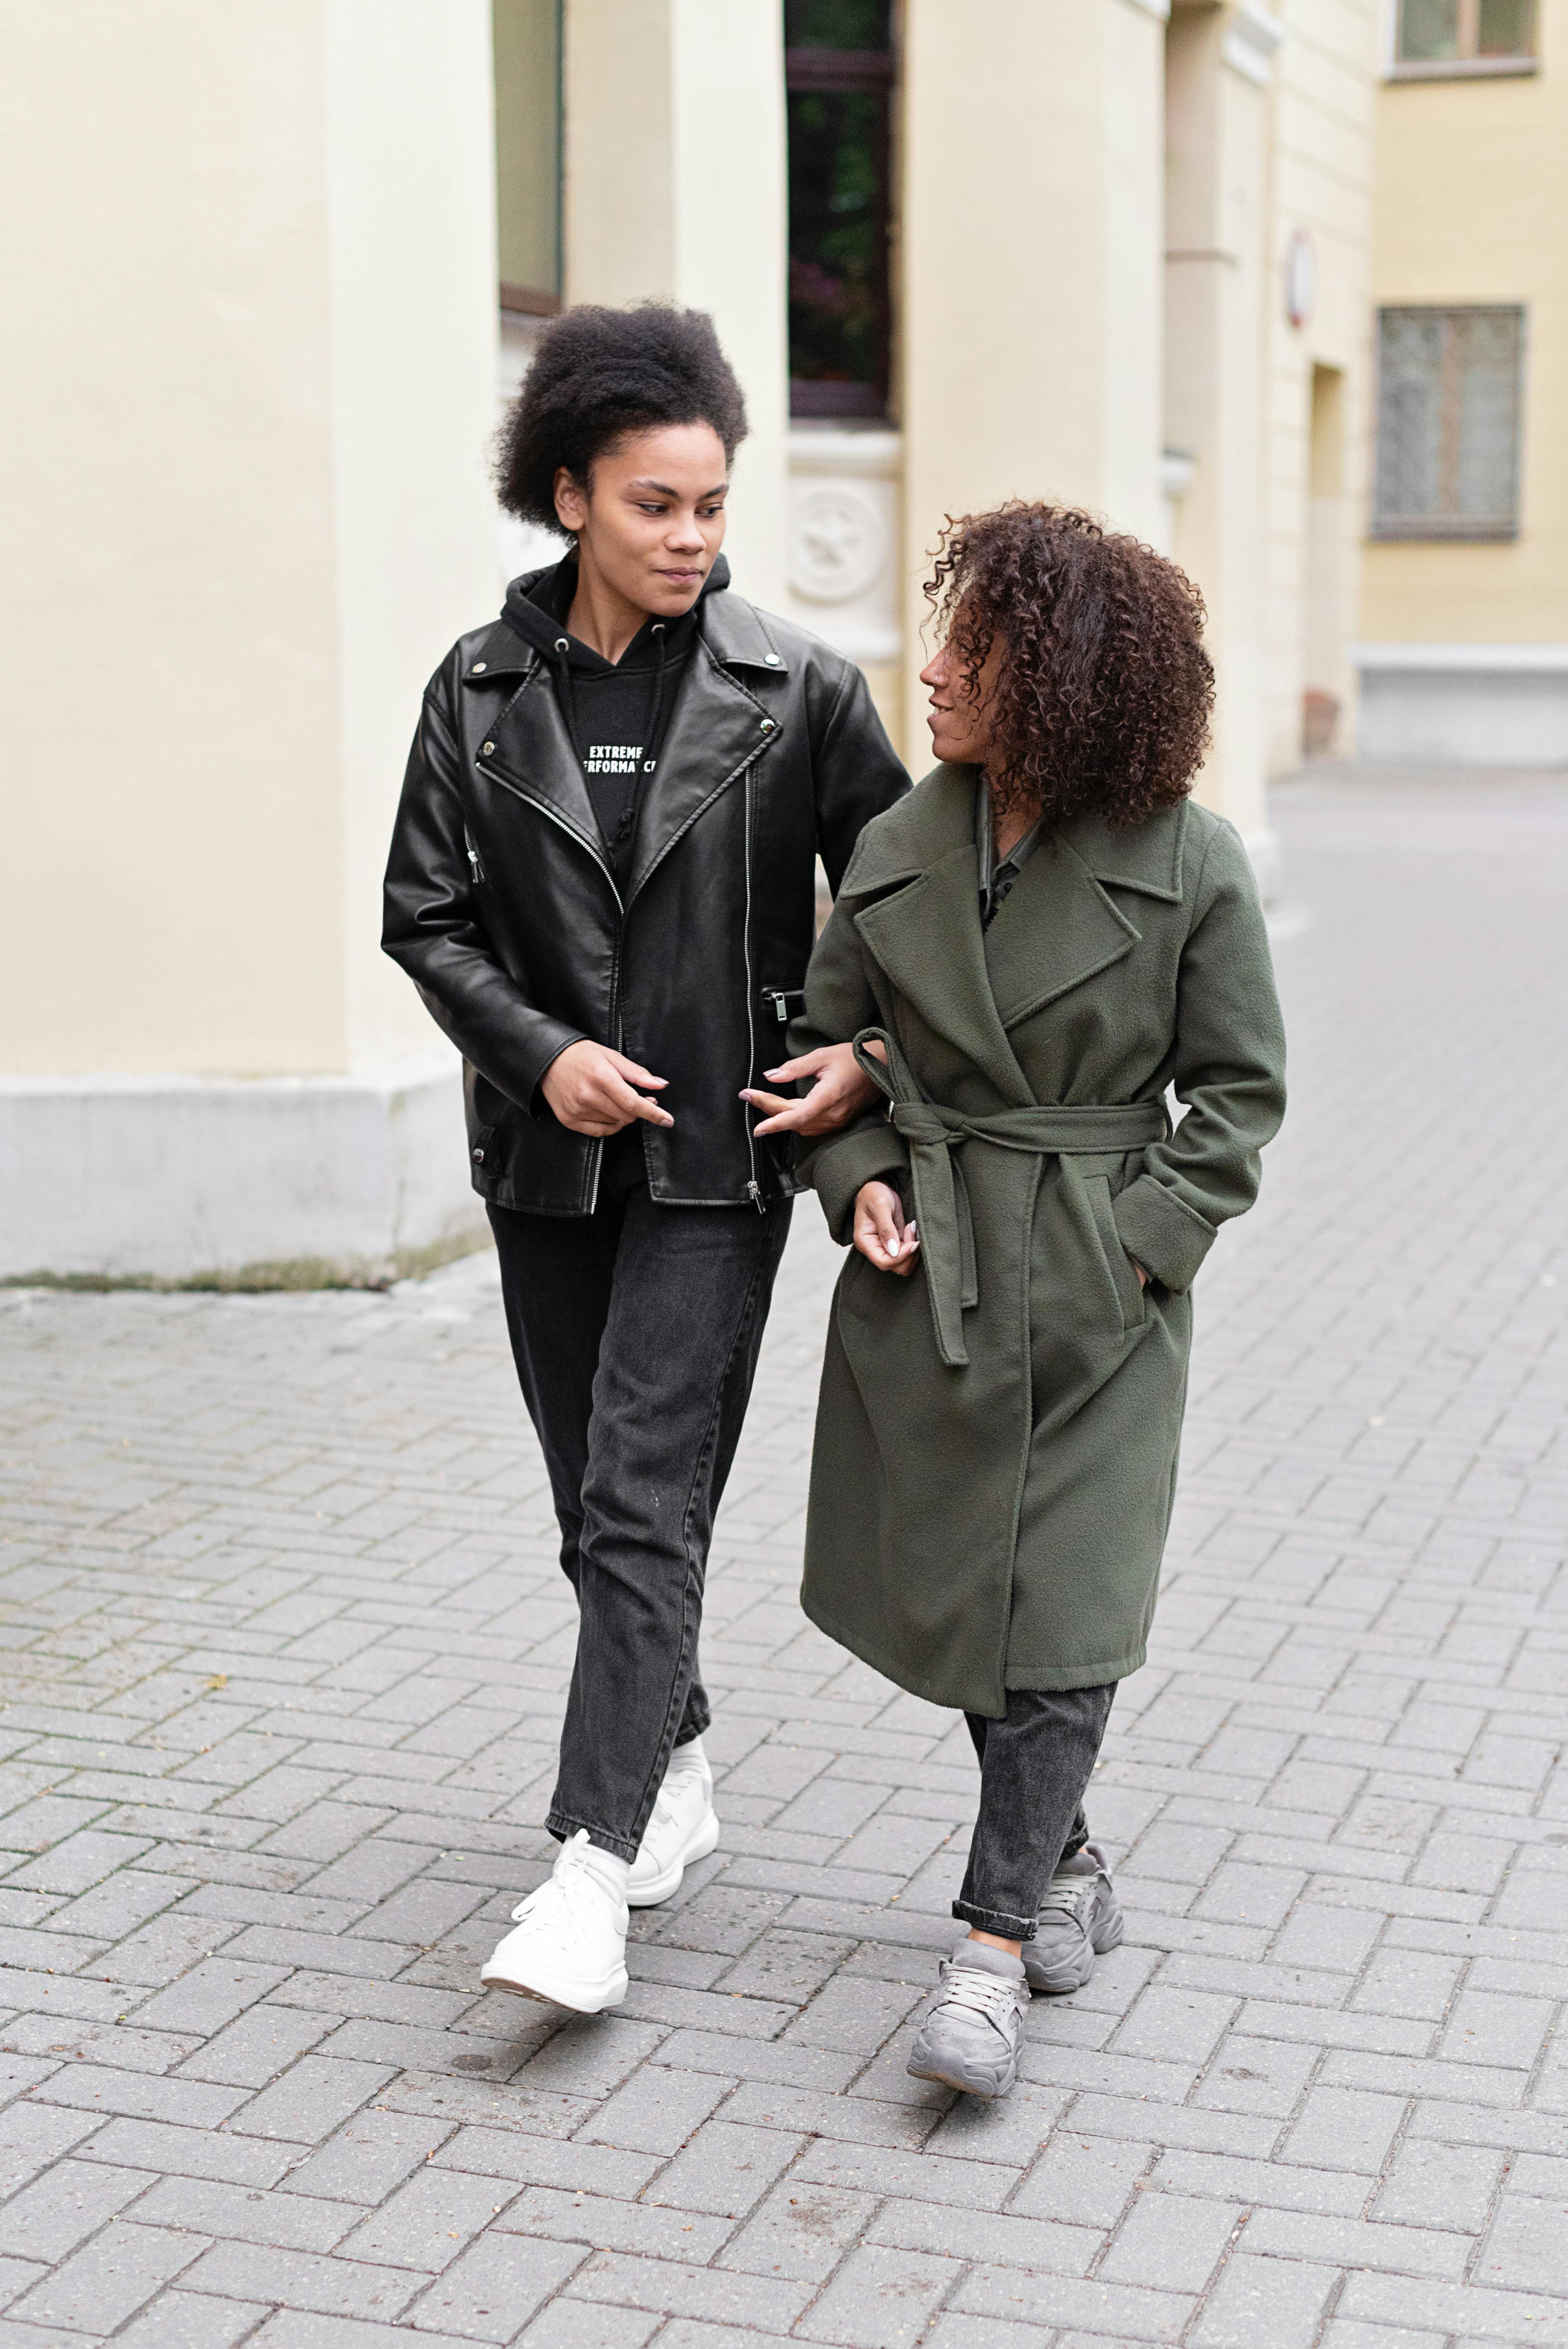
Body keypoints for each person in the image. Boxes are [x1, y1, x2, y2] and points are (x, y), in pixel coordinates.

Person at [382, 304, 906, 2015]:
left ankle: (586, 1875)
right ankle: (673, 1755)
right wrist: (542, 1057)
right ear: (568, 497)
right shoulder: (476, 689)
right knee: (588, 1509)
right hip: (542, 1169)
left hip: (716, 1164)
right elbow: (427, 919)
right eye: (655, 505)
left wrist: (873, 1059)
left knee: (636, 1496)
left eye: (710, 504)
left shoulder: (800, 691)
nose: (692, 538)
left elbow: (918, 917)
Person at [787, 503, 1286, 2097]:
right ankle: (1062, 1856)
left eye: (976, 651)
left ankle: (990, 1951)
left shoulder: (1190, 864)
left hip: (1094, 1284)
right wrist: (854, 1171)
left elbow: (1240, 1098)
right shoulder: (899, 842)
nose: (930, 670)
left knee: (1063, 1603)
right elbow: (838, 1040)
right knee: (967, 1600)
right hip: (936, 1271)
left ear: (1061, 679)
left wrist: (1140, 1246)